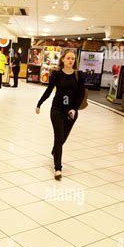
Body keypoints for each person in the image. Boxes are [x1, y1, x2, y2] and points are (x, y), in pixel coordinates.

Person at [35, 49, 85, 180]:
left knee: (63, 138)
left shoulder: (78, 75)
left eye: (73, 59)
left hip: (71, 112)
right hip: (57, 109)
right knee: (58, 137)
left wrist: (74, 108)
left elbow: (81, 95)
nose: (70, 61)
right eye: (68, 58)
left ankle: (55, 151)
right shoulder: (56, 75)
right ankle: (58, 168)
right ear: (62, 59)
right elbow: (49, 90)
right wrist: (39, 103)